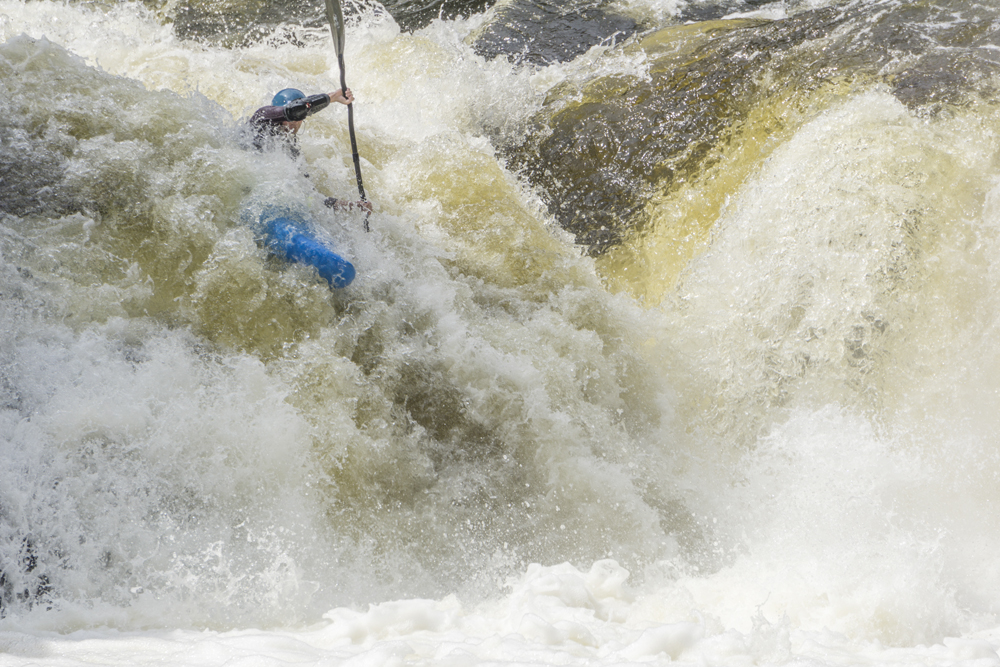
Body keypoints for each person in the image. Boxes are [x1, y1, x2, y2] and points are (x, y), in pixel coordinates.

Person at [248, 87, 371, 212]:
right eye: (291, 117)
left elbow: (311, 197)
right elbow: (296, 109)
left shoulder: (293, 152)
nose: (294, 121)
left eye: (300, 117)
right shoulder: (261, 118)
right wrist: (332, 97)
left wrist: (352, 206)